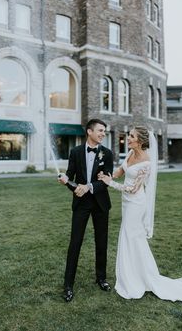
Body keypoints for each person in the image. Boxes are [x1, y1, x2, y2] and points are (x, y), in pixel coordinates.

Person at [99, 126, 182, 308]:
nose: (128, 138)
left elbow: (133, 189)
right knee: (130, 238)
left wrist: (111, 184)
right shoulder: (130, 154)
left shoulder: (146, 163)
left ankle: (140, 278)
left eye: (131, 136)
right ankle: (133, 275)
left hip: (136, 203)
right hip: (126, 204)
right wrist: (107, 175)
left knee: (132, 237)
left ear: (140, 141)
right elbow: (120, 171)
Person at [59, 119, 113, 302]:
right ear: (89, 132)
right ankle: (68, 285)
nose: (103, 134)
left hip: (100, 203)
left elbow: (106, 181)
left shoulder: (107, 153)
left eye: (104, 131)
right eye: (100, 130)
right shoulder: (75, 152)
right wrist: (67, 182)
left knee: (101, 242)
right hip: (81, 204)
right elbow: (71, 177)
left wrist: (88, 186)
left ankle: (101, 278)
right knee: (75, 243)